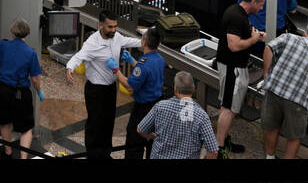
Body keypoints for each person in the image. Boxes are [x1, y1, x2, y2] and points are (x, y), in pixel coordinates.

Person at [65, 11, 143, 159]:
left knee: (108, 121)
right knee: (95, 123)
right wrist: (69, 68)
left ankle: (105, 152)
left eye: (115, 26)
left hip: (110, 88)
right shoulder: (92, 43)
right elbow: (78, 57)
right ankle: (93, 154)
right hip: (95, 90)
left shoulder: (116, 37)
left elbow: (128, 41)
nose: (113, 30)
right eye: (110, 27)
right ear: (101, 25)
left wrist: (146, 42)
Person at [0, 19, 43, 159]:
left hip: (4, 90)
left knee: (5, 123)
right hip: (22, 93)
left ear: (13, 32)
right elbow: (35, 79)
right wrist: (39, 91)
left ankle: (8, 152)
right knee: (26, 128)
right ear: (27, 33)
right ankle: (23, 157)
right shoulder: (31, 53)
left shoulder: (3, 45)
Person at [260, 24, 308, 160]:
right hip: (298, 101)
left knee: (272, 127)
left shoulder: (288, 37)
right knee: (294, 136)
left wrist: (267, 73)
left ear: (305, 34)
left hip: (274, 90)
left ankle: (270, 157)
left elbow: (268, 48)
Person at [215, 0, 266, 155]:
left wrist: (257, 35)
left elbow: (241, 34)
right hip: (233, 68)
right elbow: (234, 45)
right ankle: (219, 147)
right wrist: (253, 40)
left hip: (234, 67)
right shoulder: (236, 17)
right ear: (252, 2)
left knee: (228, 106)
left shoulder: (239, 12)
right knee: (229, 109)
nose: (261, 9)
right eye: (260, 5)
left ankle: (222, 139)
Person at [137, 71, 220, 160]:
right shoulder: (201, 116)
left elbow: (140, 130)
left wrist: (152, 136)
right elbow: (213, 151)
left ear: (175, 89)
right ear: (193, 89)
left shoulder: (160, 106)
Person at [114, 27, 165, 160]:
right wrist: (132, 61)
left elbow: (130, 86)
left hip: (143, 109)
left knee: (134, 141)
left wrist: (116, 70)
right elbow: (147, 74)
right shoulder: (159, 59)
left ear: (143, 43)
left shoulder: (143, 64)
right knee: (151, 142)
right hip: (157, 106)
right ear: (158, 44)